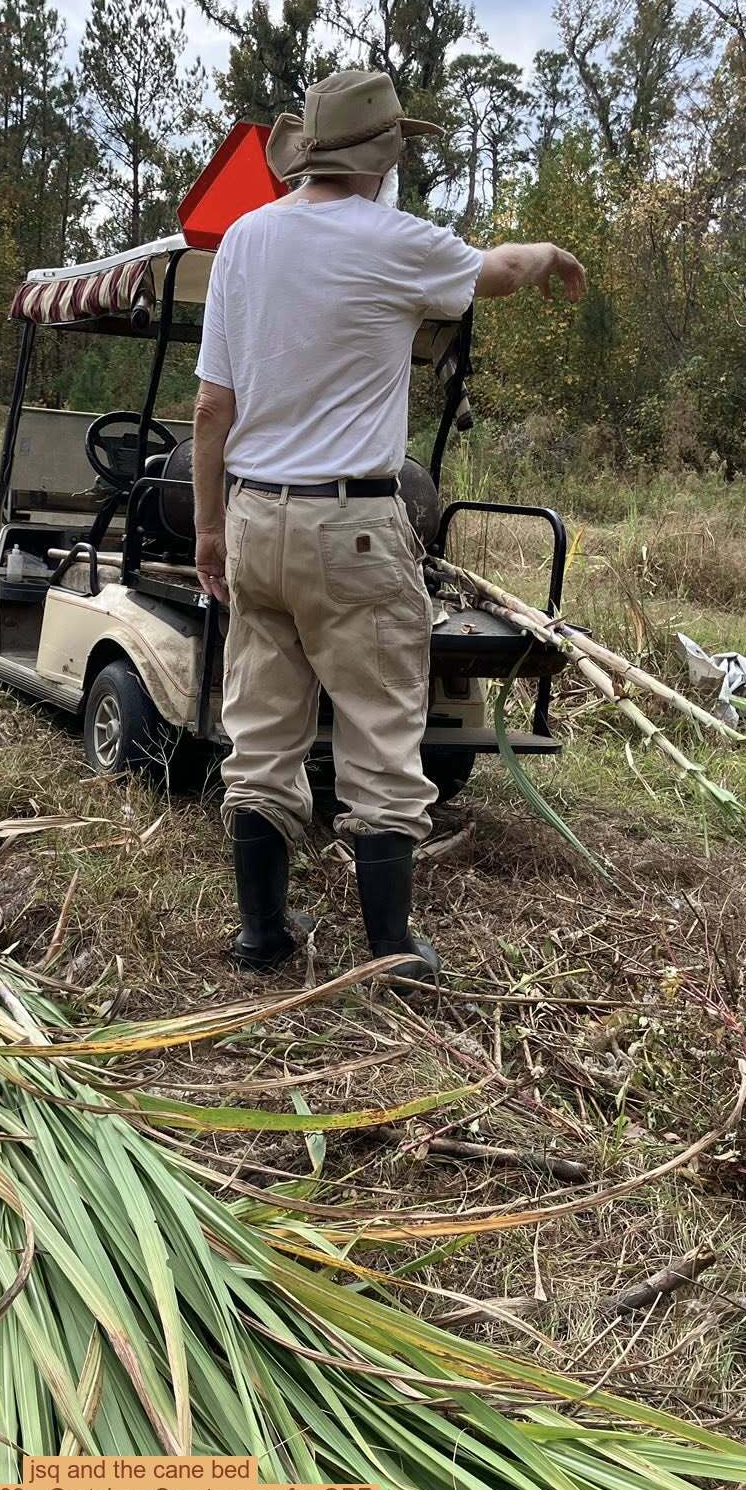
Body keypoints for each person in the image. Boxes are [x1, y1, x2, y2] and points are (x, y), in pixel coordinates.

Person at [190, 67, 588, 981]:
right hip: (352, 527)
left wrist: (210, 532)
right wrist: (549, 249)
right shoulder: (393, 240)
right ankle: (390, 949)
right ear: (383, 156)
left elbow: (212, 407)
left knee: (261, 735)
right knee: (378, 731)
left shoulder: (245, 240)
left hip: (251, 518)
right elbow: (497, 273)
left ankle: (262, 937)